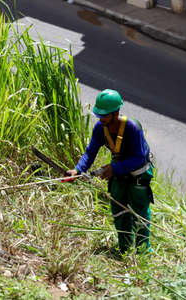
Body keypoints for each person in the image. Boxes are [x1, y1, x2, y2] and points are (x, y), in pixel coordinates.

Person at [66, 89, 154, 254]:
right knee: (118, 208)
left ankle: (143, 250)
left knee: (139, 211)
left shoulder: (132, 128)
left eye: (105, 115)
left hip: (139, 173)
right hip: (118, 172)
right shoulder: (100, 128)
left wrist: (114, 169)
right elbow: (90, 152)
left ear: (116, 113)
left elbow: (138, 158)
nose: (101, 118)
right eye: (99, 115)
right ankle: (124, 247)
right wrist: (78, 169)